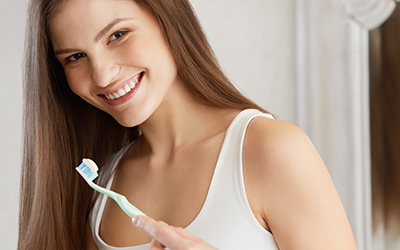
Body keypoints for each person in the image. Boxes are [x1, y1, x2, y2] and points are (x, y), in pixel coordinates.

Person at [18, 0, 358, 249]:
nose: (103, 74)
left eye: (118, 35)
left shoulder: (270, 151)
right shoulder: (100, 188)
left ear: (167, 17)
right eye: (75, 57)